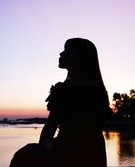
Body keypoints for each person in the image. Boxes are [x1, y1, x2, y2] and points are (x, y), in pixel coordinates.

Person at [9, 38, 110, 167]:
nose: (61, 54)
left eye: (66, 50)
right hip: (88, 148)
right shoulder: (85, 89)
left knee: (23, 158)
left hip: (79, 151)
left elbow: (51, 127)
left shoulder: (83, 91)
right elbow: (50, 127)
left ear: (80, 58)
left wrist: (44, 149)